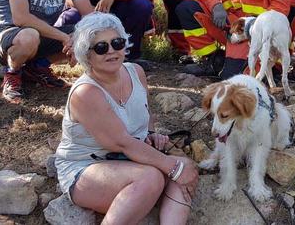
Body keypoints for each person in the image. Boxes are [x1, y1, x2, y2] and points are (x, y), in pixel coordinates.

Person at [55, 12, 198, 224]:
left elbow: (145, 114)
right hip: (87, 167)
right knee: (153, 177)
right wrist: (172, 168)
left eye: (117, 43)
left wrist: (150, 134)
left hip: (129, 157)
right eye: (101, 47)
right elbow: (122, 142)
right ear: (87, 55)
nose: (111, 51)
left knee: (187, 167)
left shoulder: (135, 72)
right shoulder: (86, 93)